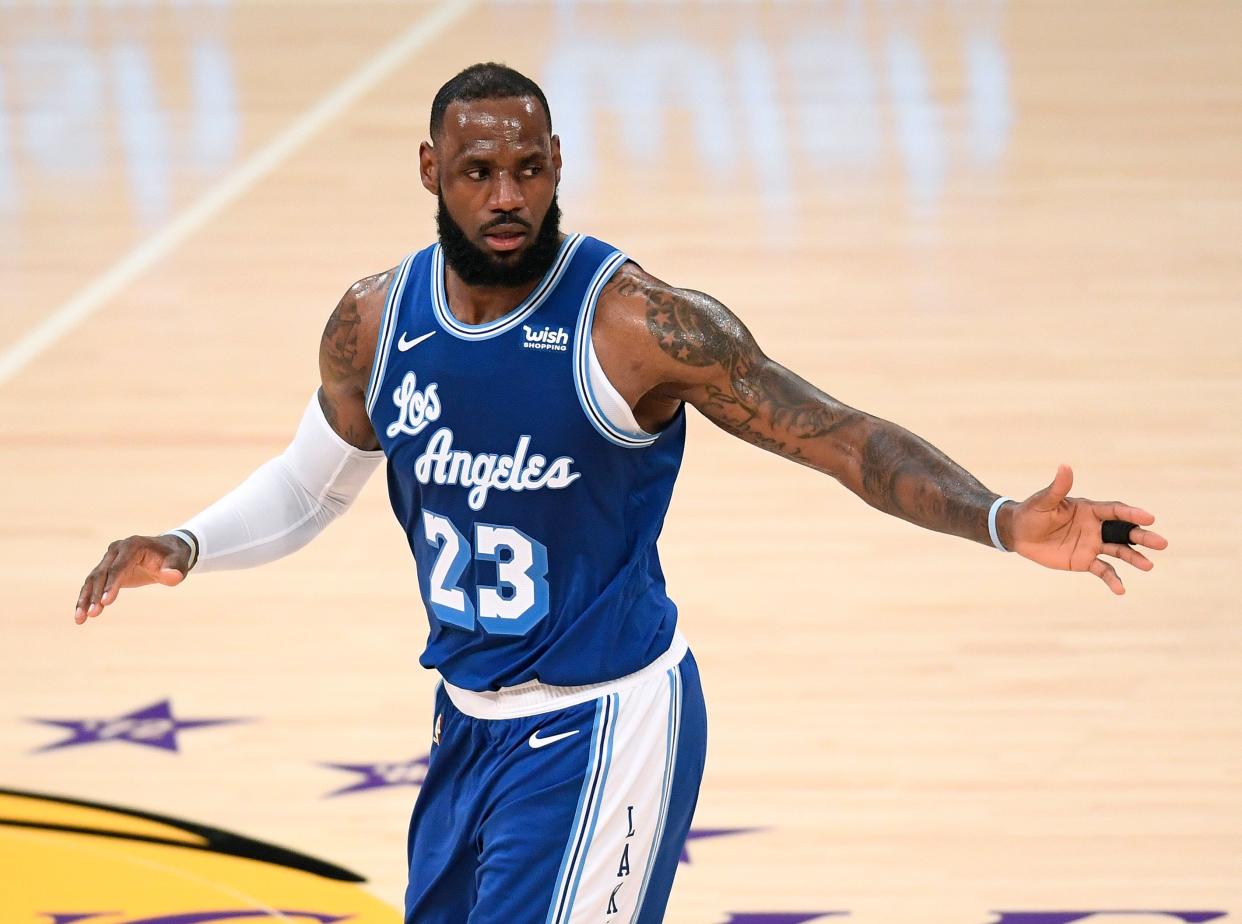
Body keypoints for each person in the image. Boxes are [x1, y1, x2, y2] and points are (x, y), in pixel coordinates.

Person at [73, 63, 1167, 924]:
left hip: (603, 725)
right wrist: (184, 543)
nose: (507, 198)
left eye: (529, 170)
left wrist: (996, 519)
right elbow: (314, 485)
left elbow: (838, 437)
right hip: (467, 728)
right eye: (477, 173)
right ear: (428, 171)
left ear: (558, 164)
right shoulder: (375, 321)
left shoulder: (636, 326)